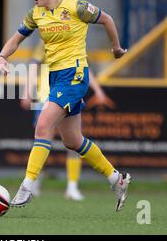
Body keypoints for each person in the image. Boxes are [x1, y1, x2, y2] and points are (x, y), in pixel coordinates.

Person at [0, 0, 131, 211]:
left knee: (43, 126)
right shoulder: (36, 14)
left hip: (75, 75)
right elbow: (16, 39)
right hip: (56, 77)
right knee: (73, 140)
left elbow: (107, 19)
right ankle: (117, 179)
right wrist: (2, 56)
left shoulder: (76, 7)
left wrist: (116, 48)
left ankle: (26, 187)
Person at [20, 42, 114, 201]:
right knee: (42, 140)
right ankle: (33, 185)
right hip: (45, 99)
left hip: (69, 95)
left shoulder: (75, 41)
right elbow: (34, 66)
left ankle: (72, 187)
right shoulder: (47, 40)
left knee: (73, 143)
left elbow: (85, 70)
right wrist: (27, 91)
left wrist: (98, 90)